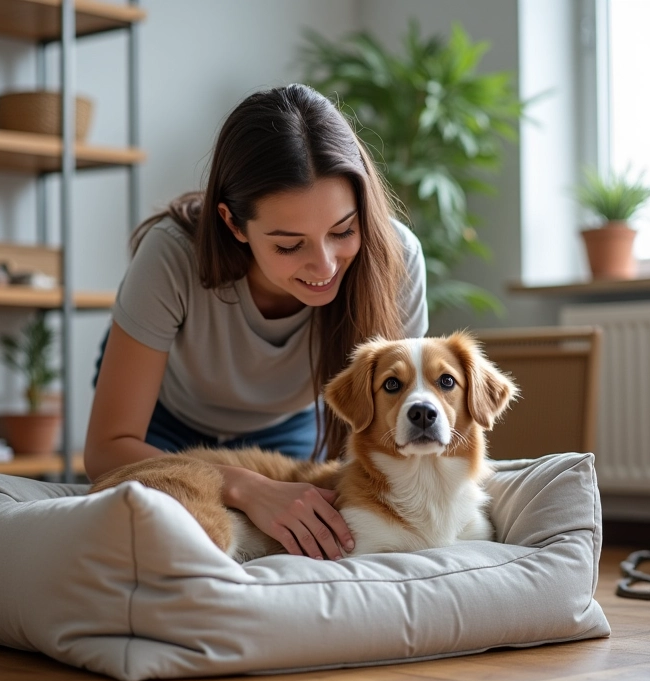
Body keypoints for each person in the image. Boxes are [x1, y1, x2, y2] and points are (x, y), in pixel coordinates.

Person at [85, 83, 429, 561]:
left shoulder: (397, 258)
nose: (326, 266)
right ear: (233, 224)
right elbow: (105, 451)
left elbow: (397, 437)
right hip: (161, 425)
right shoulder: (170, 255)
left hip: (284, 428)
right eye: (290, 245)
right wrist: (245, 487)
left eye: (343, 230)